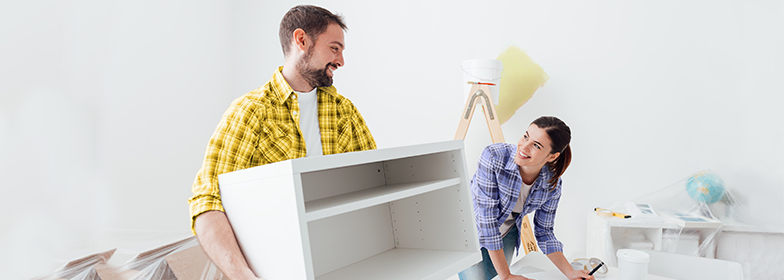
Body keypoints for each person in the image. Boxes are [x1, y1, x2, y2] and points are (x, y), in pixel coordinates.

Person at [188, 5, 376, 280]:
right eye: (335, 48)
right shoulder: (250, 112)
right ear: (301, 40)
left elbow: (376, 182)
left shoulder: (344, 112)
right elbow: (207, 200)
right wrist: (242, 275)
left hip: (338, 261)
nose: (341, 61)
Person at [459, 116, 593, 280]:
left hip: (507, 231)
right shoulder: (493, 156)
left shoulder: (551, 184)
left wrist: (570, 272)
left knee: (493, 278)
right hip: (471, 228)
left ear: (552, 156)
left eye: (536, 145)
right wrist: (507, 275)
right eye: (526, 136)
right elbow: (487, 222)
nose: (524, 146)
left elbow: (544, 232)